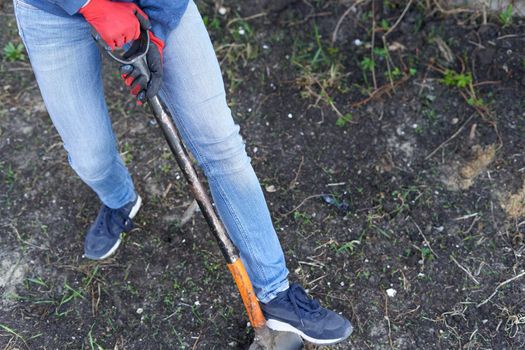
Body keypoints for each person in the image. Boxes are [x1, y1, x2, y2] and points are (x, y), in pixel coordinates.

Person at [12, 0, 353, 345]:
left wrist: (156, 33)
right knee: (90, 158)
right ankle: (120, 200)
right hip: (52, 13)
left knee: (220, 145)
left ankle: (277, 294)